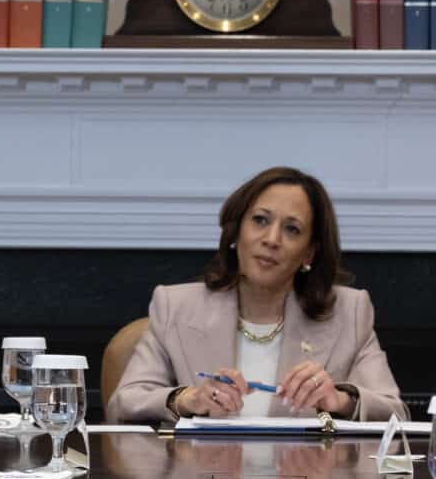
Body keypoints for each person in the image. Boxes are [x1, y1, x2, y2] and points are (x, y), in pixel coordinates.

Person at [106, 166, 408, 424]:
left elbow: (396, 413)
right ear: (237, 232)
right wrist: (187, 399)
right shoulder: (175, 306)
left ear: (309, 252)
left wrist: (340, 401)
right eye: (260, 220)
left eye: (292, 229)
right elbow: (125, 403)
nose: (271, 239)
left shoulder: (349, 313)